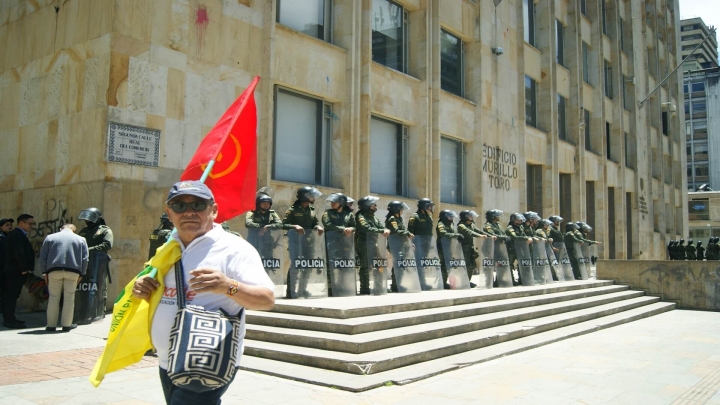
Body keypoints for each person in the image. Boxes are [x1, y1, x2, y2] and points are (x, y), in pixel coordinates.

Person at [131, 180, 275, 405]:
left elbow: (266, 300)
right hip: (167, 361)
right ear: (169, 213)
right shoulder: (167, 249)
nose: (189, 212)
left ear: (214, 210)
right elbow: (156, 290)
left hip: (207, 362)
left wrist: (228, 286)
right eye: (179, 206)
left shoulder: (234, 249)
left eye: (198, 205)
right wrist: (142, 288)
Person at [39, 224, 88, 332]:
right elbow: (85, 259)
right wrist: (82, 274)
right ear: (74, 229)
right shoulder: (81, 239)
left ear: (61, 228)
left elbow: (43, 256)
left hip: (54, 271)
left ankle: (51, 325)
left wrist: (44, 272)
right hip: (73, 272)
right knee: (69, 298)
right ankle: (66, 325)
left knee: (53, 298)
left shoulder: (50, 237)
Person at [282, 187, 324, 297]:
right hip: (295, 241)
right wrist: (294, 226)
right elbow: (283, 224)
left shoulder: (312, 210)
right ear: (304, 196)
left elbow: (314, 223)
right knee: (295, 266)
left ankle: (302, 289)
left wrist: (318, 226)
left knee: (308, 266)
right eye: (311, 195)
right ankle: (290, 291)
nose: (313, 198)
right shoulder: (292, 210)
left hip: (309, 242)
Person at [78, 207, 113, 315]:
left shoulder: (105, 230)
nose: (88, 222)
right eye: (86, 220)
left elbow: (107, 244)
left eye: (90, 220)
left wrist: (89, 250)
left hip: (98, 265)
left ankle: (98, 312)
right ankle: (83, 311)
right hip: (84, 264)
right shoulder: (84, 231)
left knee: (99, 289)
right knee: (83, 288)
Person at [2, 214, 35, 328]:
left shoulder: (17, 234)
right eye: (29, 223)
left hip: (14, 271)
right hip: (15, 271)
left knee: (12, 296)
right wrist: (24, 270)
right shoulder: (17, 235)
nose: (31, 226)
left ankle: (10, 318)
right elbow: (19, 253)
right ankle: (9, 320)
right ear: (21, 223)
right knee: (11, 296)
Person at [322, 193, 356, 296]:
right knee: (330, 264)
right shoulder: (327, 213)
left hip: (345, 243)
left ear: (341, 203)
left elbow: (354, 226)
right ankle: (330, 288)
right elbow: (328, 224)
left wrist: (351, 228)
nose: (332, 203)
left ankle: (342, 286)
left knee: (343, 265)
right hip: (331, 242)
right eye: (332, 202)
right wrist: (343, 229)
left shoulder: (348, 214)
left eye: (335, 202)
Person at [355, 196, 389, 294]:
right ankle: (364, 288)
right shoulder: (361, 216)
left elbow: (381, 227)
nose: (375, 206)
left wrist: (383, 230)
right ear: (367, 206)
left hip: (374, 243)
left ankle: (378, 286)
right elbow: (366, 228)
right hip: (364, 244)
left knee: (378, 266)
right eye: (373, 204)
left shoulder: (374, 217)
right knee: (365, 266)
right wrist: (381, 230)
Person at [457, 210, 493, 287]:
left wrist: (489, 236)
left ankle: (467, 281)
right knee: (466, 265)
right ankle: (462, 282)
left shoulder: (472, 224)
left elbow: (478, 231)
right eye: (470, 216)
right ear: (465, 217)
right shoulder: (461, 225)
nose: (472, 217)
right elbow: (469, 232)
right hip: (464, 247)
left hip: (470, 247)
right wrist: (480, 236)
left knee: (471, 265)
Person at [385, 201, 412, 292]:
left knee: (401, 265)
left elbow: (403, 230)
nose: (402, 210)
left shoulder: (399, 219)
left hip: (401, 244)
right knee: (398, 264)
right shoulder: (392, 218)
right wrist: (407, 233)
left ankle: (398, 284)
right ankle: (395, 285)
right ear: (396, 209)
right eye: (401, 209)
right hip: (394, 244)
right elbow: (395, 230)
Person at [436, 210, 463, 288]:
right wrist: (456, 235)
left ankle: (444, 281)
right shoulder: (441, 224)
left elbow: (454, 232)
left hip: (448, 246)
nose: (451, 218)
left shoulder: (451, 224)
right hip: (441, 246)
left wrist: (457, 235)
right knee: (443, 264)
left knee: (448, 264)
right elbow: (443, 233)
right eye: (449, 216)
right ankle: (442, 283)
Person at [505, 213, 532, 285]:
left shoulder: (520, 228)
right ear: (513, 220)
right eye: (518, 220)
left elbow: (524, 235)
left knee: (522, 264)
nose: (520, 221)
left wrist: (528, 238)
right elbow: (515, 237)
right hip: (512, 249)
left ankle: (522, 279)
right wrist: (526, 238)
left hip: (520, 249)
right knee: (510, 264)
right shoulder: (510, 228)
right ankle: (511, 280)